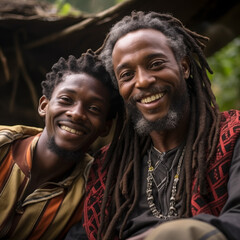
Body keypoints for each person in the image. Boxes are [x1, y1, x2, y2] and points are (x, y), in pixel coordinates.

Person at [82, 11, 240, 240]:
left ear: (184, 67)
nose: (143, 80)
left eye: (155, 64)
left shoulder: (234, 134)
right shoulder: (107, 170)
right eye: (126, 75)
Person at [0, 50, 121, 239]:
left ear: (106, 127)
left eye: (94, 108)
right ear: (44, 106)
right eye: (66, 100)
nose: (77, 113)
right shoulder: (2, 144)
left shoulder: (94, 191)